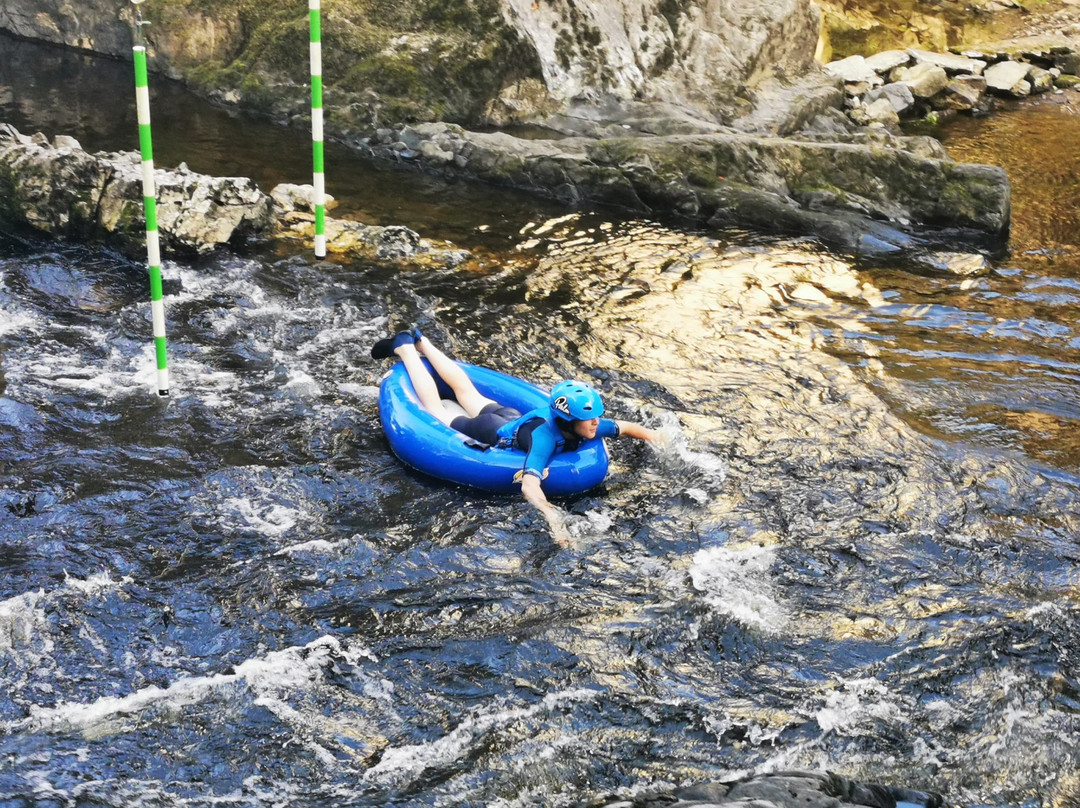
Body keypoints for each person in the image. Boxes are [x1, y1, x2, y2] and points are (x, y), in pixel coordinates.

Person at [371, 328, 660, 545]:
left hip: (512, 417)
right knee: (436, 409)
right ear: (569, 422)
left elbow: (628, 427)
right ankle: (407, 350)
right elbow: (529, 486)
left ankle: (423, 342)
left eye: (596, 418)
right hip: (491, 431)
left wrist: (661, 439)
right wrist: (553, 518)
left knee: (468, 391)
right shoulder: (544, 441)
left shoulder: (589, 425)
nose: (597, 424)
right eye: (589, 420)